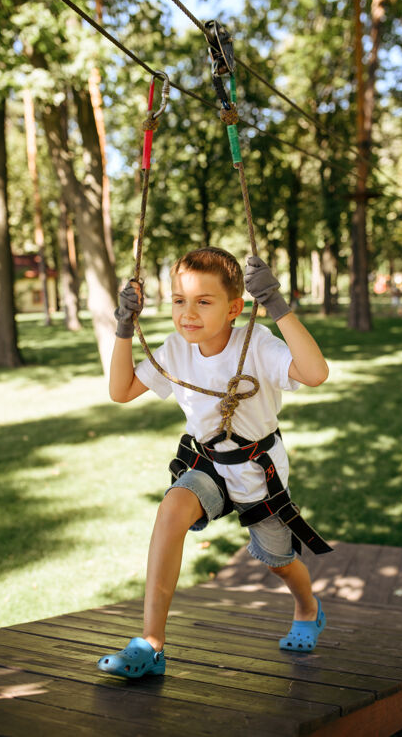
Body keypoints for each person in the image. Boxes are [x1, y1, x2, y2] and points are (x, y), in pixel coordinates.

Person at [97, 247, 330, 678]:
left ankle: (307, 605)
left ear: (234, 308)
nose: (188, 313)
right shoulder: (174, 349)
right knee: (170, 511)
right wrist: (124, 327)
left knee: (278, 559)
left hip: (258, 470)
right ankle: (151, 644)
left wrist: (277, 306)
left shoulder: (256, 344)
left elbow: (315, 373)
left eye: (204, 302)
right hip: (207, 463)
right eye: (179, 301)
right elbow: (121, 390)